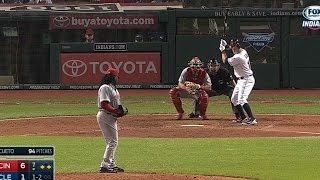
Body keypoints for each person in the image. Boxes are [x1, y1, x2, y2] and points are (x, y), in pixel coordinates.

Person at [220, 39, 257, 125]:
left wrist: (222, 50)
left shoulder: (238, 57)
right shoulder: (243, 51)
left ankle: (252, 119)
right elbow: (234, 49)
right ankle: (243, 118)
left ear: (237, 46)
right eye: (232, 46)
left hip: (246, 80)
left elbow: (225, 61)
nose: (232, 49)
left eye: (233, 47)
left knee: (242, 100)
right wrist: (227, 46)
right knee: (234, 99)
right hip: (241, 80)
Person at [96, 67, 125, 173]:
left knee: (112, 141)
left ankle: (111, 164)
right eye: (117, 77)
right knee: (112, 141)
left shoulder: (113, 88)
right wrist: (115, 111)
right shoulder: (105, 88)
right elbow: (104, 104)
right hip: (105, 115)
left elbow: (115, 105)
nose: (117, 79)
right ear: (114, 77)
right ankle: (105, 165)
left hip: (110, 116)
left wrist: (119, 111)